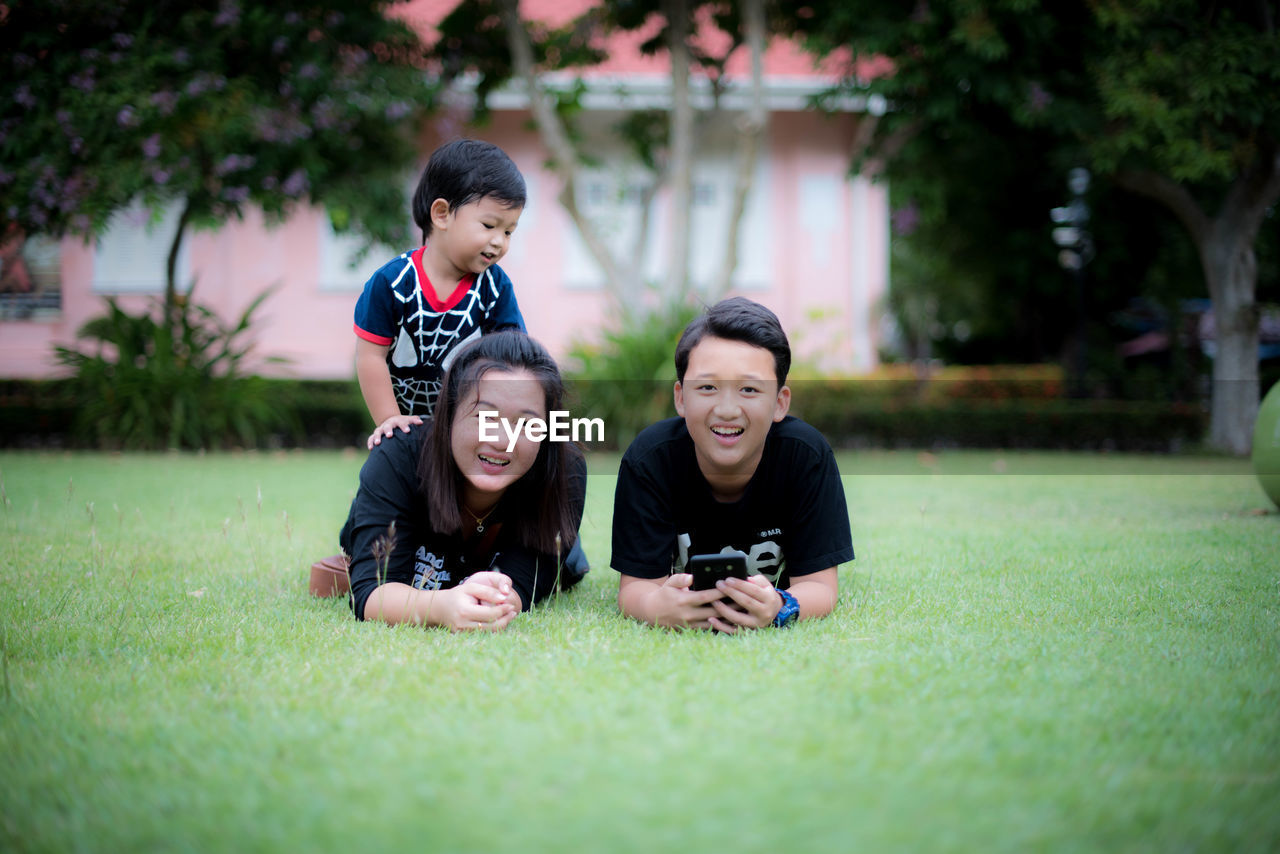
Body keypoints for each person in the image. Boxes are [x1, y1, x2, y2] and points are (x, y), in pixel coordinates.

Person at [610, 297, 853, 632]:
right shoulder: (651, 460)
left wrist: (781, 605)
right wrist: (656, 607)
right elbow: (636, 587)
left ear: (780, 403)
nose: (727, 409)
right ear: (680, 397)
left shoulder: (806, 456)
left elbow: (820, 586)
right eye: (707, 387)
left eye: (749, 389)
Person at [340, 330, 586, 629]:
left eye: (526, 424)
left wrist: (496, 603)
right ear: (449, 412)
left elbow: (520, 586)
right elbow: (371, 592)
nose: (501, 441)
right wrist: (441, 607)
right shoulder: (398, 456)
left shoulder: (564, 469)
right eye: (485, 418)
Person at [353, 138, 527, 451]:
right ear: (442, 214)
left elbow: (511, 359)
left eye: (508, 231)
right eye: (489, 225)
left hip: (468, 431)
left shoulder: (495, 287)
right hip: (405, 427)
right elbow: (370, 356)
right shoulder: (392, 283)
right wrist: (389, 419)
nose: (499, 241)